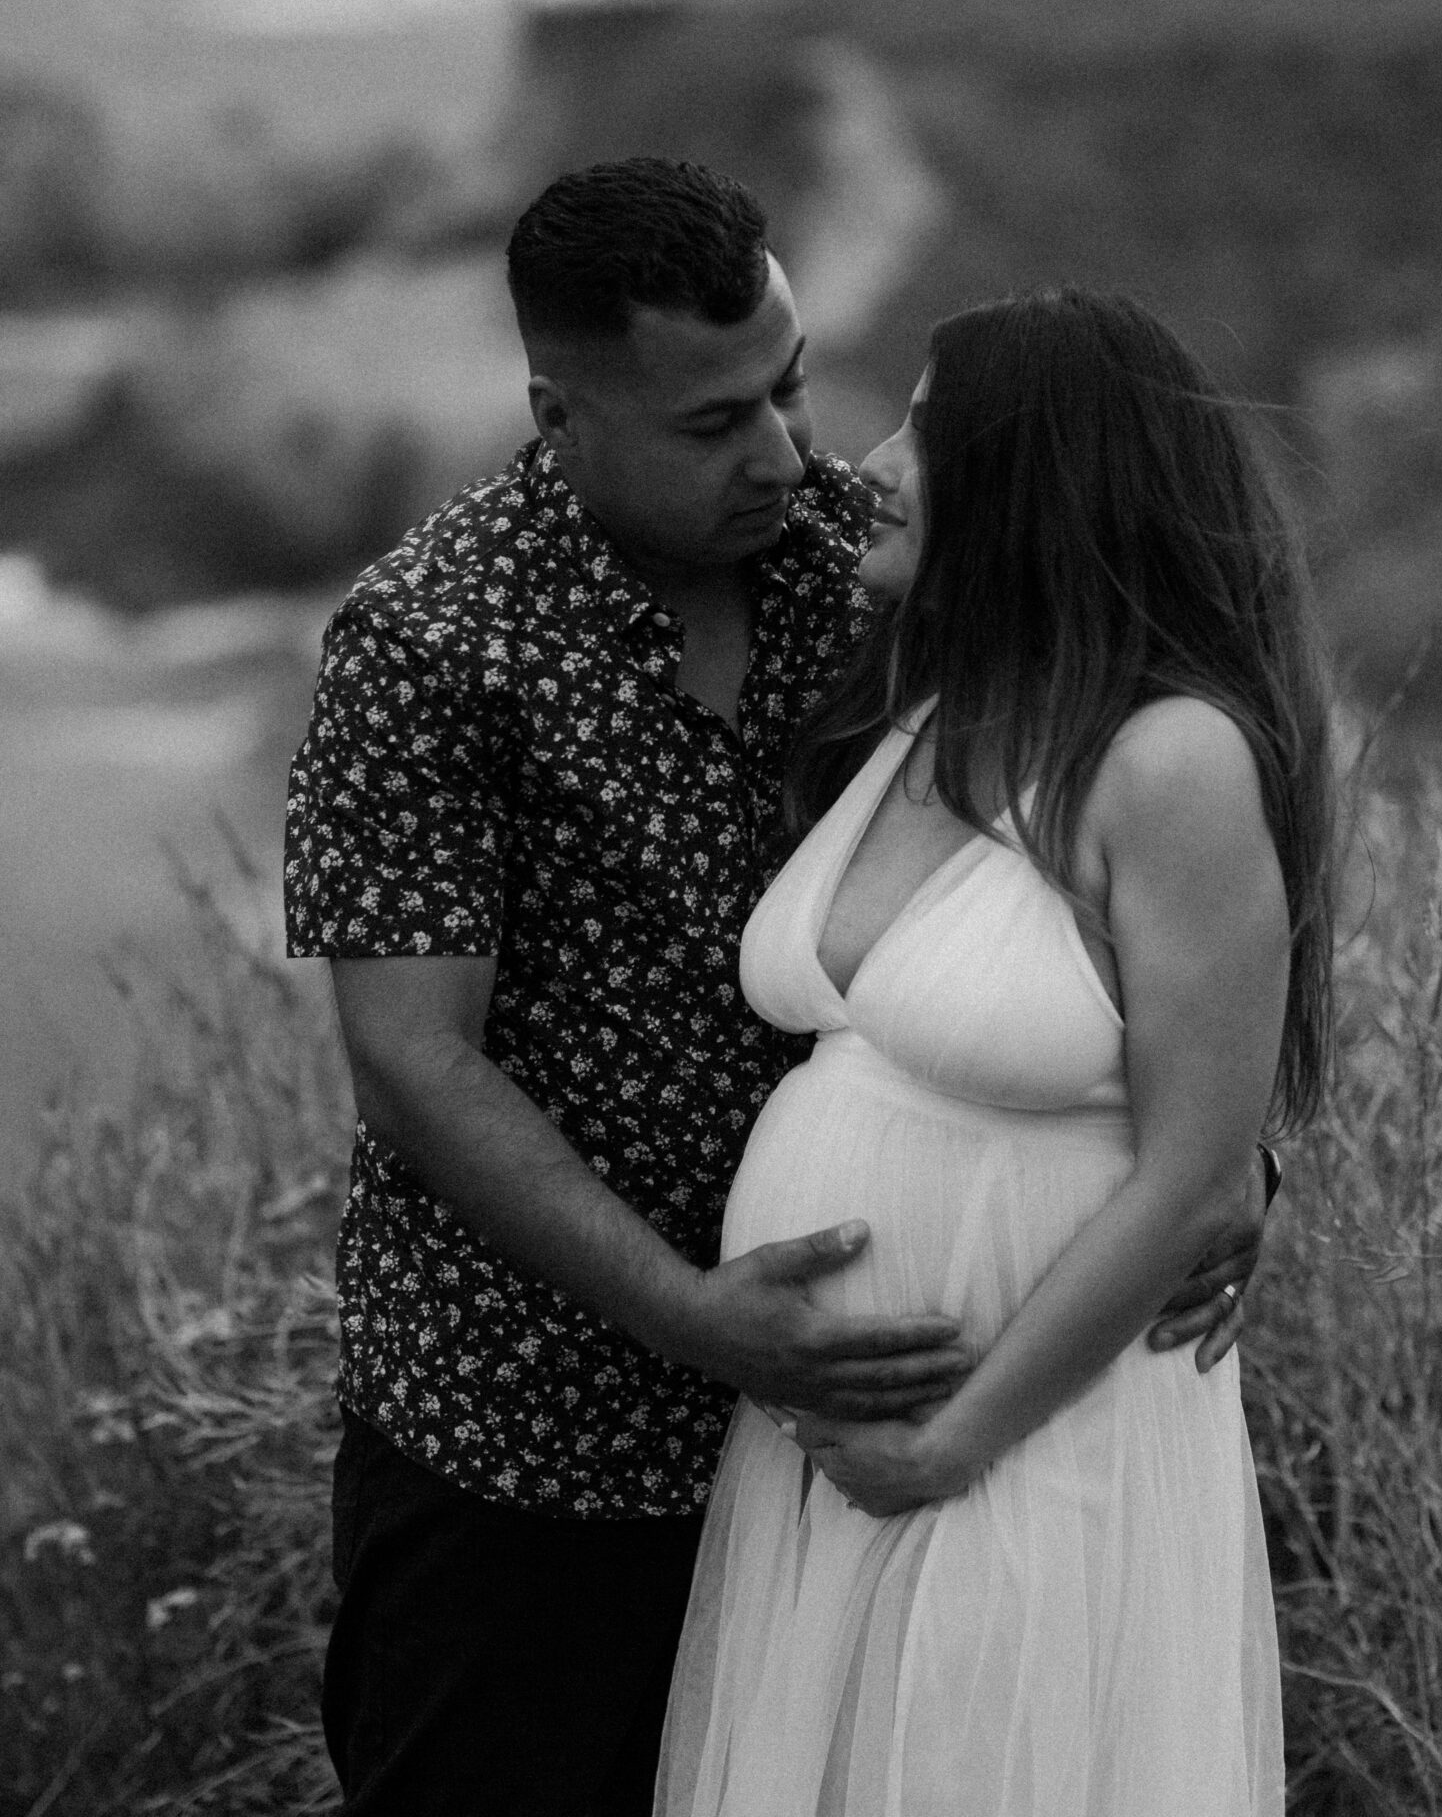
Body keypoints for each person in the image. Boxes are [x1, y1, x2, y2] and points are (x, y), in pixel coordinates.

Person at [284, 161, 1273, 1816]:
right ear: (559, 410)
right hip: (539, 1434)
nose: (787, 454)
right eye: (711, 423)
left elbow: (1115, 884)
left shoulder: (861, 566)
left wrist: (1222, 1155)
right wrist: (696, 1320)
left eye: (793, 386)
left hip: (863, 1449)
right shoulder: (428, 640)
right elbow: (412, 1064)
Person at [655, 286, 1335, 1817]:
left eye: (922, 429)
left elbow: (1192, 1167)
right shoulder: (926, 703)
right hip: (835, 1466)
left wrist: (951, 1444)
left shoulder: (1170, 760)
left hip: (1028, 1445)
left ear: (1032, 478)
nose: (870, 464)